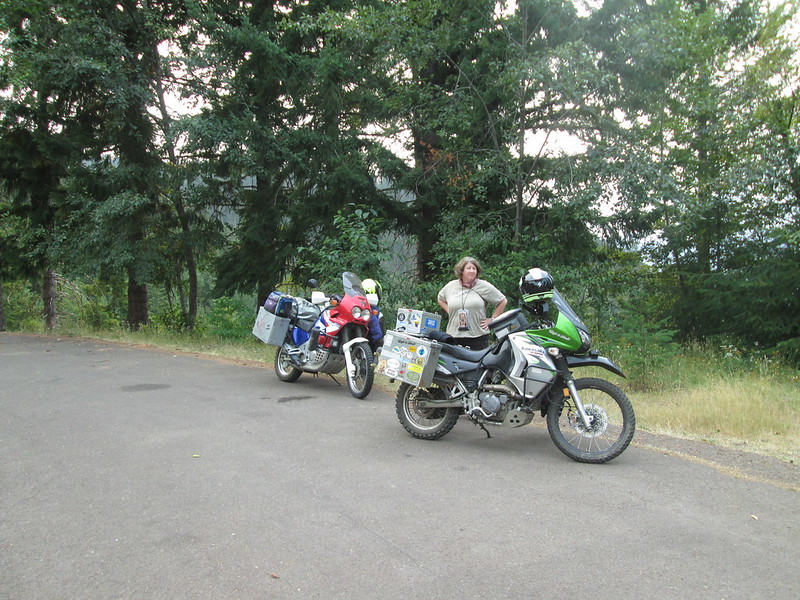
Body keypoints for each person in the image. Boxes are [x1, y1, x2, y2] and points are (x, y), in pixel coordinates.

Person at [437, 256, 507, 350]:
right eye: (468, 268)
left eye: (474, 269)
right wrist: (449, 311)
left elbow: (502, 301)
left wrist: (492, 319)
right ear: (461, 271)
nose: (472, 271)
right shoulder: (451, 286)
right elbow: (440, 298)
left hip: (478, 337)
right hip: (454, 336)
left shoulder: (483, 286)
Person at [361, 278, 385, 352]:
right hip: (370, 343)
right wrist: (379, 341)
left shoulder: (358, 306)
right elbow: (376, 329)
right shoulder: (373, 309)